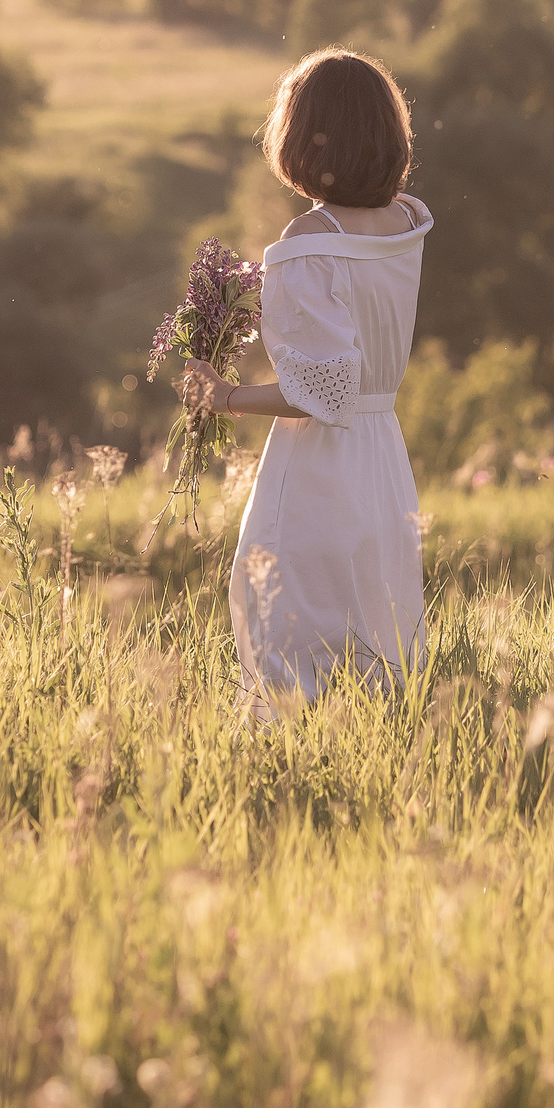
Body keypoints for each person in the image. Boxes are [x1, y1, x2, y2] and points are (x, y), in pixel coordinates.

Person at [181, 47, 431, 707]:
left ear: (303, 138)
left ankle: (288, 764)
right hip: (382, 455)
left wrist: (226, 396)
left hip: (319, 464)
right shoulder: (405, 222)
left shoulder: (305, 245)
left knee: (287, 611)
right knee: (374, 615)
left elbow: (324, 392)